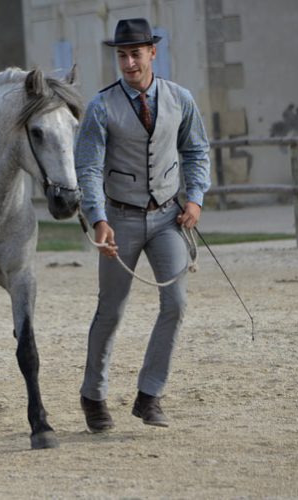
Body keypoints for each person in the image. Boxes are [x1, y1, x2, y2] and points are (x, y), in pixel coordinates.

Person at [75, 18, 211, 431]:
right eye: (122, 55)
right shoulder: (101, 107)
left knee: (177, 304)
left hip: (169, 217)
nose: (129, 62)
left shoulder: (180, 99)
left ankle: (149, 396)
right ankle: (93, 396)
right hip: (119, 219)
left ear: (153, 53)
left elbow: (196, 150)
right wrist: (98, 220)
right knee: (111, 310)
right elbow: (88, 168)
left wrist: (195, 198)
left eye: (136, 53)